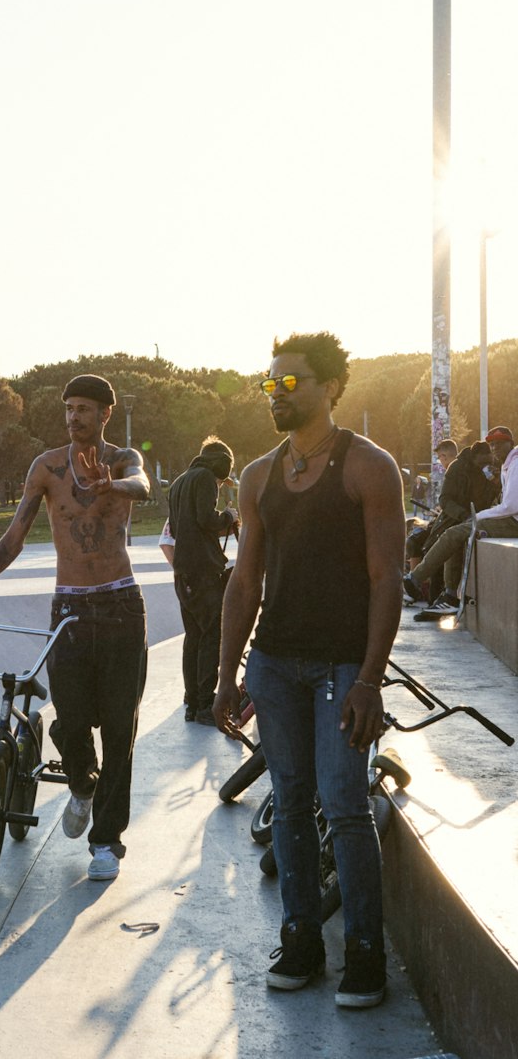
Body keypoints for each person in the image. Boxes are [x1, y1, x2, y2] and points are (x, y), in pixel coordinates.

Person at [213, 333, 404, 1009]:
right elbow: (244, 582)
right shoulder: (258, 475)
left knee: (346, 804)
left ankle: (364, 953)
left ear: (331, 387)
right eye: (270, 383)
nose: (277, 393)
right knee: (291, 803)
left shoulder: (368, 467)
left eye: (290, 383)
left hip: (341, 664)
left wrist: (368, 679)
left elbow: (388, 580)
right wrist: (226, 673)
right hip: (274, 663)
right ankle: (300, 940)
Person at [0, 374, 150, 882]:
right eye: (69, 408)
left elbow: (142, 485)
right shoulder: (46, 468)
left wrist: (111, 485)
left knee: (121, 729)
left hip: (121, 606)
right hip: (71, 609)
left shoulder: (122, 461)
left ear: (105, 415)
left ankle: (106, 843)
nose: (75, 417)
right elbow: (12, 539)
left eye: (85, 409)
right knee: (70, 721)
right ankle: (81, 783)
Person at [167, 437, 238, 725]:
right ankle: (206, 705)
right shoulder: (206, 477)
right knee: (211, 635)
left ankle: (191, 701)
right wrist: (228, 516)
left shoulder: (179, 482)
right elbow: (206, 519)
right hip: (204, 570)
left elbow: (177, 528)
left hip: (182, 570)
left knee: (193, 636)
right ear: (222, 466)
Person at [403, 426, 518, 604]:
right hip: (461, 517)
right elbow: (445, 499)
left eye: (499, 445)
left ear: (510, 444)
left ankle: (417, 580)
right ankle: (446, 594)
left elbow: (509, 505)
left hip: (511, 521)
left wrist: (478, 515)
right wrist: (469, 515)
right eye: (492, 445)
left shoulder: (513, 464)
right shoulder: (460, 468)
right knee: (452, 536)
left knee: (453, 535)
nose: (494, 450)